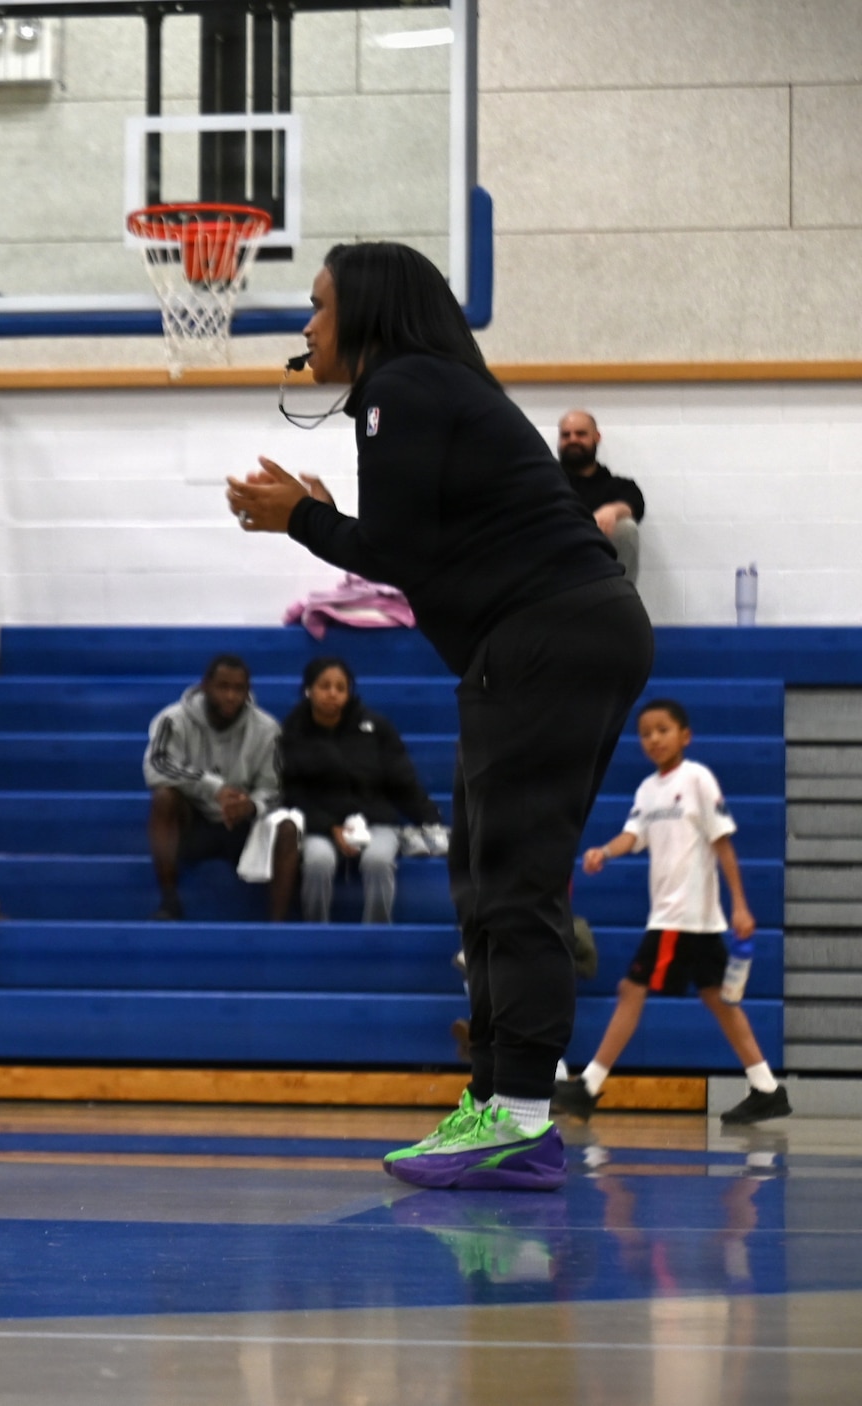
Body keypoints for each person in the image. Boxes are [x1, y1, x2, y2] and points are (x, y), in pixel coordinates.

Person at [227, 241, 654, 1192]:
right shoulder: (426, 390)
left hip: (548, 639)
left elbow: (393, 554)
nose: (307, 326)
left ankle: (520, 1121)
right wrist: (320, 513)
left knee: (514, 882)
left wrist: (295, 516)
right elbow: (413, 545)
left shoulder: (402, 388)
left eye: (318, 305)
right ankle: (495, 1105)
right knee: (482, 878)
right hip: (554, 638)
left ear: (367, 311)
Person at [554, 700, 788, 1125]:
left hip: (682, 915)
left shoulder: (697, 778)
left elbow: (723, 842)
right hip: (677, 918)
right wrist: (604, 851)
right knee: (719, 1000)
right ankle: (766, 1088)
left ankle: (588, 1085)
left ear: (685, 735)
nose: (654, 739)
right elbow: (633, 835)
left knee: (631, 989)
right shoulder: (647, 790)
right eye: (645, 732)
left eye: (662, 730)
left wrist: (740, 904)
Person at [276, 656, 442, 924]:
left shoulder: (377, 727)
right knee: (318, 862)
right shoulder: (292, 733)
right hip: (319, 824)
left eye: (340, 687)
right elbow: (292, 793)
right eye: (325, 686)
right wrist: (331, 827)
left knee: (378, 861)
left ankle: (376, 935)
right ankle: (315, 933)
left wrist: (430, 819)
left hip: (375, 819)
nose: (333, 693)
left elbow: (402, 780)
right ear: (308, 689)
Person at [142, 654, 286, 922]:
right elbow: (157, 766)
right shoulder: (172, 719)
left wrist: (251, 805)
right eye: (223, 687)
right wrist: (213, 788)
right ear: (205, 686)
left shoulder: (268, 729)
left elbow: (276, 788)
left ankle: (276, 924)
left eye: (238, 689)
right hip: (193, 820)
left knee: (285, 824)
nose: (231, 696)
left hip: (241, 824)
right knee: (163, 798)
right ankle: (170, 902)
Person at [557, 410, 645, 583]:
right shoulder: (544, 482)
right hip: (553, 569)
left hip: (601, 575)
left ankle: (620, 603)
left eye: (581, 434)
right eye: (566, 435)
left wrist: (613, 511)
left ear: (597, 437)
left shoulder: (618, 486)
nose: (573, 439)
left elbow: (635, 503)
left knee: (626, 526)